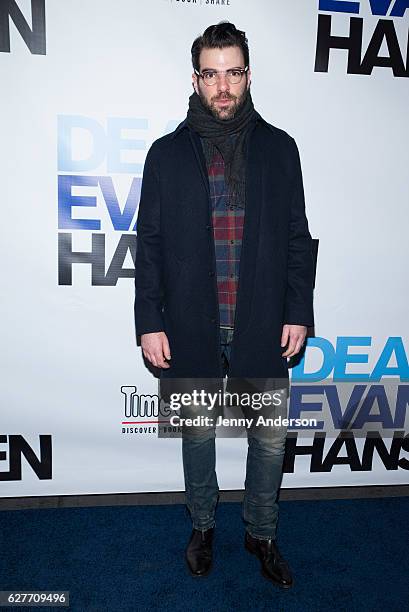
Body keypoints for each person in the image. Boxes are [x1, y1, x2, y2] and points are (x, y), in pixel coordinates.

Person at [134, 21, 314, 588]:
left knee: (267, 439)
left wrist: (298, 310)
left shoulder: (280, 148)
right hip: (190, 323)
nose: (222, 86)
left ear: (247, 75)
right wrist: (149, 321)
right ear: (196, 79)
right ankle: (204, 524)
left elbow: (295, 236)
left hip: (262, 319)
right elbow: (151, 244)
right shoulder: (165, 154)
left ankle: (260, 532)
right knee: (198, 432)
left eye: (232, 72)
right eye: (211, 74)